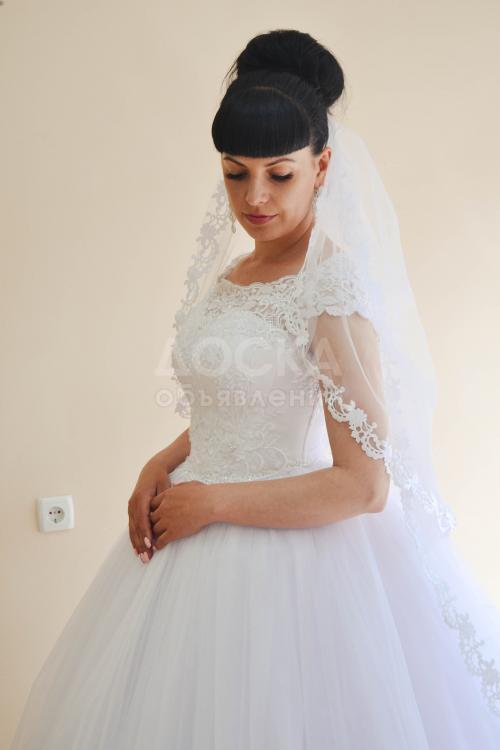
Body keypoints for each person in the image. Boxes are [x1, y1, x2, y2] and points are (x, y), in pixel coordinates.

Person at [11, 29, 500, 749]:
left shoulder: (329, 286)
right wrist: (164, 460)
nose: (256, 197)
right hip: (189, 541)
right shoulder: (236, 272)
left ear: (322, 166)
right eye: (236, 174)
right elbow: (249, 401)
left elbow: (364, 484)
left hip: (289, 564)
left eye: (280, 174)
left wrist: (215, 502)